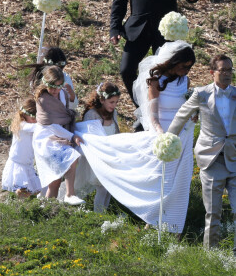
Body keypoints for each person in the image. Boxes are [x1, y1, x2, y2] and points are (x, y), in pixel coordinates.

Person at [74, 41, 196, 233]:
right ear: (173, 62)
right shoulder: (155, 80)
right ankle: (151, 218)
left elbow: (187, 107)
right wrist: (160, 135)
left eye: (189, 67)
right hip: (162, 134)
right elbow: (152, 113)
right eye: (183, 66)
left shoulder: (185, 81)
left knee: (179, 181)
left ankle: (174, 224)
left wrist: (194, 115)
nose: (186, 71)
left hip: (183, 134)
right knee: (159, 179)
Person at [167, 54, 236, 256]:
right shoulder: (201, 94)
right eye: (223, 70)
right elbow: (181, 116)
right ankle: (212, 255)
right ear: (212, 73)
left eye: (230, 70)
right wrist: (167, 141)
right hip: (210, 160)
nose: (227, 74)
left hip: (235, 160)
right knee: (213, 213)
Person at [32, 66, 85, 204]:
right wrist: (72, 136)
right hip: (46, 138)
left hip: (60, 133)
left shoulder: (62, 93)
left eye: (58, 87)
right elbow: (51, 124)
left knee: (55, 181)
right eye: (52, 87)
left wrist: (72, 96)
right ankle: (69, 194)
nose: (55, 91)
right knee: (71, 156)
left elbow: (68, 108)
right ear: (45, 84)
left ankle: (46, 211)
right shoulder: (43, 100)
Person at [80, 82, 121, 213]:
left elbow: (116, 133)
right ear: (102, 99)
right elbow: (89, 137)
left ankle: (104, 211)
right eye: (111, 102)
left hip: (110, 154)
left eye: (116, 102)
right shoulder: (92, 115)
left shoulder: (113, 113)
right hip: (97, 156)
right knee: (102, 187)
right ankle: (99, 215)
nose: (114, 105)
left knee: (109, 187)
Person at [1, 97, 41, 198]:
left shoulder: (32, 125)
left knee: (34, 189)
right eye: (33, 119)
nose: (35, 121)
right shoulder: (22, 125)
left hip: (28, 163)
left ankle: (25, 204)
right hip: (18, 163)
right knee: (22, 189)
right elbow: (36, 127)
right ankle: (19, 204)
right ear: (24, 115)